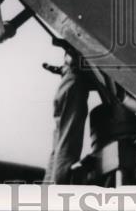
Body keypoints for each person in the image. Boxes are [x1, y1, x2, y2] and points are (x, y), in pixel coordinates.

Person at [43, 44, 93, 184]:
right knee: (67, 146)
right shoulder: (76, 70)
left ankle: (48, 194)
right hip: (73, 88)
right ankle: (58, 192)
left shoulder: (70, 70)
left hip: (67, 87)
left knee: (59, 144)